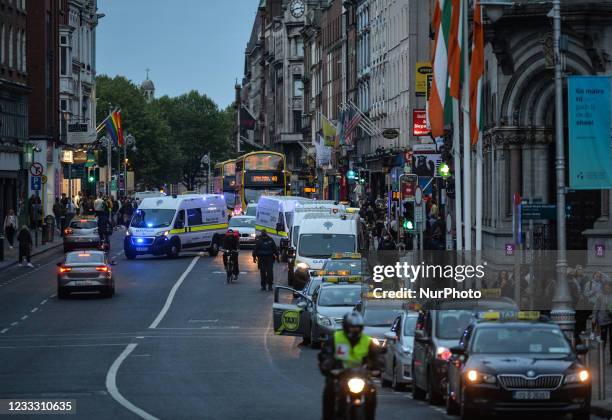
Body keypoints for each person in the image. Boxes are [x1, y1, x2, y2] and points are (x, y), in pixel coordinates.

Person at [318, 312, 378, 420]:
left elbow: (376, 357)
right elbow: (326, 354)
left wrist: (377, 368)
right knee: (330, 389)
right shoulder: (335, 339)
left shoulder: (367, 341)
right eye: (351, 328)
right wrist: (328, 366)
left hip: (361, 375)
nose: (354, 331)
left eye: (357, 328)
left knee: (372, 392)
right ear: (345, 327)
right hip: (340, 374)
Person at [592, 279, 612, 364]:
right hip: (602, 320)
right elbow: (596, 308)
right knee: (603, 340)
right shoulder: (600, 297)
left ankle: (611, 358)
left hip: (611, 320)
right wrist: (594, 317)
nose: (607, 289)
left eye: (609, 288)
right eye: (606, 288)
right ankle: (601, 357)